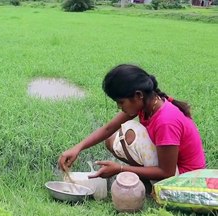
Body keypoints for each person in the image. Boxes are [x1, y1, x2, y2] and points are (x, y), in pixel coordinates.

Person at [58, 64, 206, 187]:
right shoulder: (146, 104)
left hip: (186, 181)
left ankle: (151, 185)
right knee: (113, 138)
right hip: (173, 170)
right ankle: (147, 181)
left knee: (130, 131)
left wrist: (120, 169)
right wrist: (77, 148)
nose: (118, 107)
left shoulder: (166, 120)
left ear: (138, 95)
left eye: (121, 102)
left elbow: (166, 172)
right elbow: (109, 129)